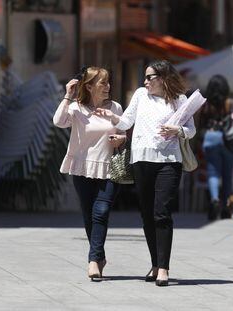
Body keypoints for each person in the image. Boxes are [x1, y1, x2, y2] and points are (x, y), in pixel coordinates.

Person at [94, 60, 196, 286]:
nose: (145, 81)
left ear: (163, 78)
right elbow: (126, 121)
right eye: (145, 77)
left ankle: (164, 269)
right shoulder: (140, 95)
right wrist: (111, 118)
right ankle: (155, 263)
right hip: (141, 160)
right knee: (147, 214)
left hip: (168, 161)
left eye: (150, 77)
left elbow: (191, 130)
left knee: (162, 213)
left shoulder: (180, 99)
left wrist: (177, 130)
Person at [53, 67, 126, 280]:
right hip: (82, 167)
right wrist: (68, 94)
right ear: (89, 86)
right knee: (88, 215)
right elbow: (58, 121)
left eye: (108, 82)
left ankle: (93, 260)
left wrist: (121, 139)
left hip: (109, 167)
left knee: (101, 211)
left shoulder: (115, 107)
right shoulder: (76, 108)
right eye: (103, 83)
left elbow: (123, 131)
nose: (108, 87)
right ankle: (99, 256)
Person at [201, 75, 233, 220]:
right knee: (228, 175)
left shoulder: (206, 105)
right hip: (229, 139)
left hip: (211, 137)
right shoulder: (232, 103)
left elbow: (200, 125)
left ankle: (214, 200)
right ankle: (227, 207)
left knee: (213, 172)